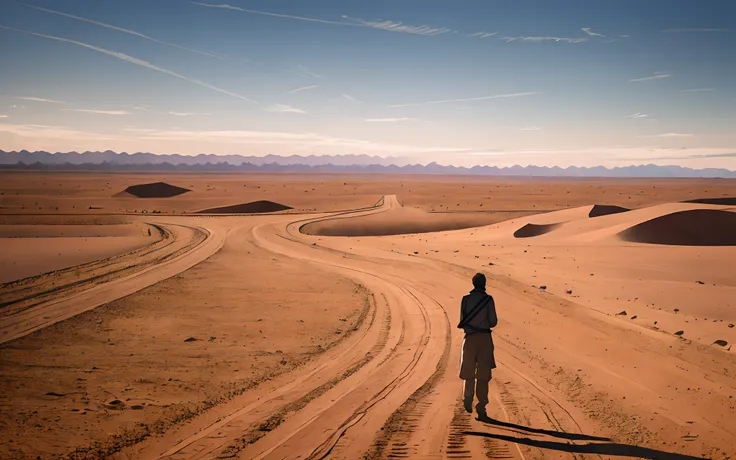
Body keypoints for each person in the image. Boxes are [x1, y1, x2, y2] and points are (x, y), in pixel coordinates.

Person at [458, 272, 498, 418]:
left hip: (470, 338)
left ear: (473, 283)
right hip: (485, 339)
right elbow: (493, 321)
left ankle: (467, 397)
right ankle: (481, 406)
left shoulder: (466, 299)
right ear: (484, 283)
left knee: (469, 371)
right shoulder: (488, 300)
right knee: (483, 374)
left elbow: (462, 320)